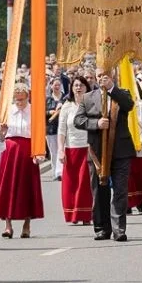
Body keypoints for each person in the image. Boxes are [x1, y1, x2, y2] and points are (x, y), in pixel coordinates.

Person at [74, 68, 135, 241]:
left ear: (112, 76)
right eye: (99, 76)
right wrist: (96, 123)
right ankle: (102, 228)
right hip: (97, 152)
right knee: (99, 191)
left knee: (120, 190)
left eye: (105, 76)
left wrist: (112, 89)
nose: (102, 79)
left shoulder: (122, 93)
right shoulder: (88, 97)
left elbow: (128, 105)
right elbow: (78, 120)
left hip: (120, 151)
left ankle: (119, 229)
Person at [0, 84, 45, 238]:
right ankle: (8, 225)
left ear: (27, 97)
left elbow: (39, 134)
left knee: (27, 187)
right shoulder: (8, 111)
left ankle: (27, 224)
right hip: (10, 150)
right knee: (8, 187)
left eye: (22, 99)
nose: (19, 102)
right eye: (17, 99)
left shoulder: (34, 111)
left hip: (27, 150)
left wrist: (38, 152)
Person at [57, 76, 93, 225]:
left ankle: (85, 215)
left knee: (85, 184)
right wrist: (60, 149)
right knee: (71, 184)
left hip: (87, 148)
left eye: (81, 86)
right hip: (71, 149)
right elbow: (62, 129)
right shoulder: (67, 106)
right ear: (72, 88)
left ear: (86, 88)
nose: (78, 88)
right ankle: (73, 214)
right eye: (76, 85)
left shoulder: (91, 104)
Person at [45, 78, 64, 180]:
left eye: (58, 85)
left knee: (62, 150)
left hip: (63, 128)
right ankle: (55, 172)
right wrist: (50, 112)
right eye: (55, 85)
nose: (57, 87)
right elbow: (42, 113)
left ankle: (62, 171)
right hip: (51, 129)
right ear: (51, 86)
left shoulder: (65, 98)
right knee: (54, 151)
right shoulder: (47, 99)